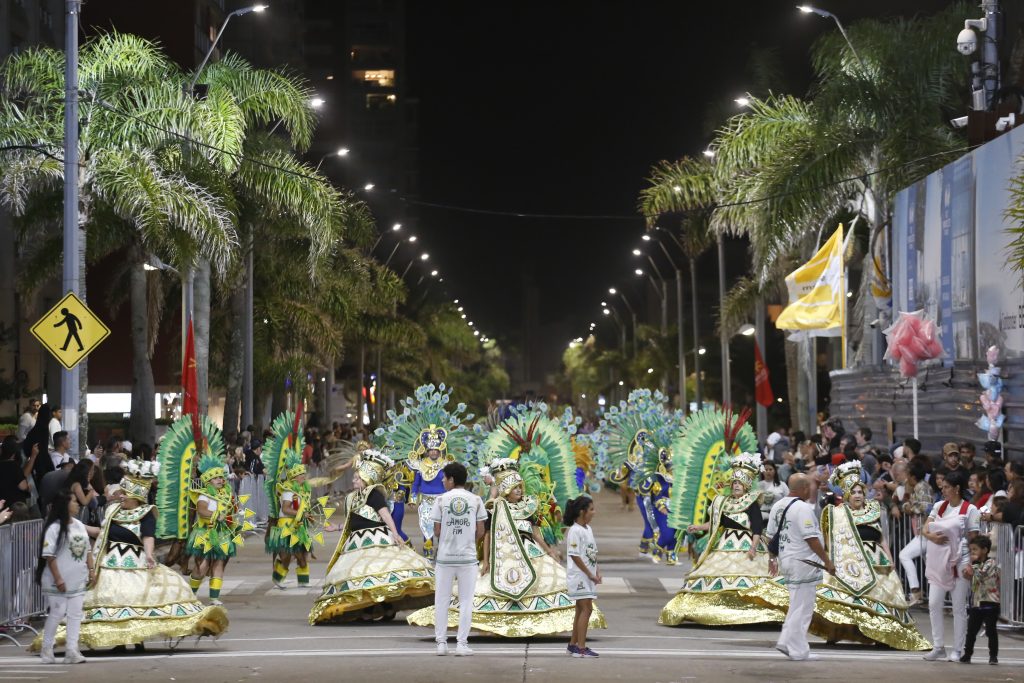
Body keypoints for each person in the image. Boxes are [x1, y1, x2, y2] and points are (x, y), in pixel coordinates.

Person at [33, 462, 228, 653]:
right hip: (109, 563)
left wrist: (150, 554)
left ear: (136, 497)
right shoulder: (112, 511)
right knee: (112, 600)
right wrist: (77, 525)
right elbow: (102, 533)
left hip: (136, 562)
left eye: (126, 494)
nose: (121, 496)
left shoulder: (146, 513)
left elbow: (148, 536)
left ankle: (138, 639)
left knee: (140, 599)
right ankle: (118, 640)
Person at [408, 458, 605, 638]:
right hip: (501, 554)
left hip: (531, 553)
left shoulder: (529, 507)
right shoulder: (495, 508)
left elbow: (536, 534)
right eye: (514, 487)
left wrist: (549, 551)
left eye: (520, 487)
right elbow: (487, 535)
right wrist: (485, 560)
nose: (519, 490)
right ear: (504, 489)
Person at [811, 462, 931, 649]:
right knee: (845, 598)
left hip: (876, 560)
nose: (858, 495)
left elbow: (881, 537)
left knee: (882, 598)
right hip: (849, 561)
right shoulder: (837, 513)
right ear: (847, 494)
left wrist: (890, 557)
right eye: (854, 492)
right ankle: (836, 632)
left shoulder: (874, 510)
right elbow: (832, 541)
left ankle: (883, 635)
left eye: (861, 491)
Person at [309, 450, 435, 624]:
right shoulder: (352, 498)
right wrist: (336, 527)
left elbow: (385, 515)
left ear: (367, 478)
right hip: (356, 542)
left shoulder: (374, 494)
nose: (353, 480)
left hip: (377, 539)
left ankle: (383, 607)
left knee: (375, 572)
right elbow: (351, 522)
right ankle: (379, 608)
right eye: (354, 478)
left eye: (357, 478)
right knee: (361, 575)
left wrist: (396, 533)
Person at [660, 454, 784, 627]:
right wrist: (698, 527)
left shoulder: (752, 502)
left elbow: (756, 527)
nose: (736, 487)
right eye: (734, 484)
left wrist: (753, 547)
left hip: (747, 544)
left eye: (739, 484)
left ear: (746, 485)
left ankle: (751, 611)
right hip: (725, 543)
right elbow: (716, 523)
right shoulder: (723, 502)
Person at [764, 473, 834, 662]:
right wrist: (827, 561)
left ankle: (792, 644)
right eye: (809, 486)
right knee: (802, 606)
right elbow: (810, 538)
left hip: (786, 559)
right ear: (803, 488)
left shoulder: (777, 506)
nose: (811, 490)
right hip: (803, 561)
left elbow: (769, 536)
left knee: (797, 603)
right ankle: (793, 647)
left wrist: (772, 559)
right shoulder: (802, 508)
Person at [426, 462, 486, 656]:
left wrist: (447, 538)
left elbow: (436, 530)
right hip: (468, 559)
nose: (443, 481)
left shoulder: (440, 500)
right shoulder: (476, 500)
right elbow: (481, 531)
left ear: (451, 480)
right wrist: (466, 539)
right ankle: (461, 644)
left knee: (441, 600)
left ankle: (441, 644)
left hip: (445, 558)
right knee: (466, 601)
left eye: (444, 478)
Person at [922, 470, 980, 662]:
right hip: (939, 560)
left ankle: (958, 649)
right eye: (943, 486)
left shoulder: (970, 510)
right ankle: (938, 646)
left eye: (947, 487)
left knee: (958, 607)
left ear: (957, 489)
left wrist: (971, 564)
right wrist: (932, 538)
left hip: (960, 561)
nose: (943, 489)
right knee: (934, 603)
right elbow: (925, 528)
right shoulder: (939, 506)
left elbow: (975, 540)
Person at [35, 489, 92, 664]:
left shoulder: (79, 525)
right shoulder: (54, 528)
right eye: (74, 501)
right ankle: (46, 648)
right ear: (65, 505)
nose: (77, 504)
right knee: (58, 612)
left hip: (78, 578)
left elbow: (88, 549)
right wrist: (58, 579)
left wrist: (92, 570)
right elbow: (49, 556)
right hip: (56, 580)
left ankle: (71, 650)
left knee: (75, 614)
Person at [186, 454, 247, 605]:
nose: (220, 480)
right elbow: (202, 511)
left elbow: (232, 512)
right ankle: (189, 595)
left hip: (223, 534)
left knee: (219, 563)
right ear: (208, 481)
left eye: (221, 477)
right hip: (205, 533)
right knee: (203, 565)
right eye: (216, 478)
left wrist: (236, 521)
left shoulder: (227, 495)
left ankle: (214, 597)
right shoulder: (203, 496)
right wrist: (216, 515)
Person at [565, 495, 601, 658]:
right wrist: (588, 574)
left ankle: (573, 645)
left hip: (587, 576)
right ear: (582, 512)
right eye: (591, 509)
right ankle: (581, 648)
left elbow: (591, 553)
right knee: (587, 609)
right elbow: (575, 555)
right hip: (579, 576)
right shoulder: (575, 531)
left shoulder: (588, 529)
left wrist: (596, 571)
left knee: (581, 609)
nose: (594, 513)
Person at [960, 535, 999, 665]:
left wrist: (973, 566)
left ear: (985, 550)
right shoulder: (974, 564)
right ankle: (967, 654)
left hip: (991, 603)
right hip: (976, 602)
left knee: (990, 631)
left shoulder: (990, 563)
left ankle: (993, 656)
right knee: (971, 631)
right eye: (971, 550)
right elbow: (969, 576)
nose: (972, 552)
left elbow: (980, 574)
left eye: (975, 549)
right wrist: (967, 573)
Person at [0, 435, 34, 508]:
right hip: (16, 505)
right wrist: (28, 487)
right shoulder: (14, 466)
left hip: (2, 504)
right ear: (15, 453)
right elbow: (22, 486)